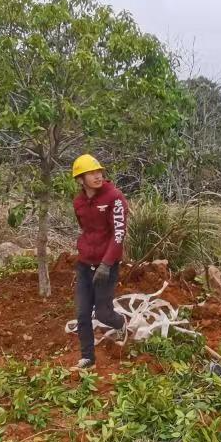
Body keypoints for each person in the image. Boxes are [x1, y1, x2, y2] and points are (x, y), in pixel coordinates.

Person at [71, 153, 128, 369]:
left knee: (103, 313)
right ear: (80, 179)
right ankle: (88, 358)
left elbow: (119, 234)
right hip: (85, 264)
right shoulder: (78, 202)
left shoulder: (115, 197)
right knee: (82, 313)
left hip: (107, 266)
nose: (97, 176)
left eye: (99, 172)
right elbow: (85, 229)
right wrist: (86, 252)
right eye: (91, 173)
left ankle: (121, 323)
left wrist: (106, 263)